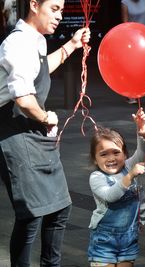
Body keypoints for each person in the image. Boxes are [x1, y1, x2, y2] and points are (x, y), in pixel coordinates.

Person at [0, 0, 90, 266]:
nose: (60, 16)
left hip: (34, 130)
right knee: (31, 215)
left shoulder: (36, 40)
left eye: (62, 9)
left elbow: (39, 70)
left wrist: (72, 45)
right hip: (14, 130)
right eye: (55, 8)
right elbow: (24, 99)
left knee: (61, 207)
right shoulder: (16, 43)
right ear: (34, 5)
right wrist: (46, 117)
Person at [88, 107, 145, 267]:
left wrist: (141, 128)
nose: (111, 158)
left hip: (129, 237)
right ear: (95, 159)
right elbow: (110, 195)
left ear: (125, 154)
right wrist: (129, 177)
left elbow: (143, 152)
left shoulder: (128, 166)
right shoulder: (96, 177)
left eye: (116, 153)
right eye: (104, 154)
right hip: (104, 239)